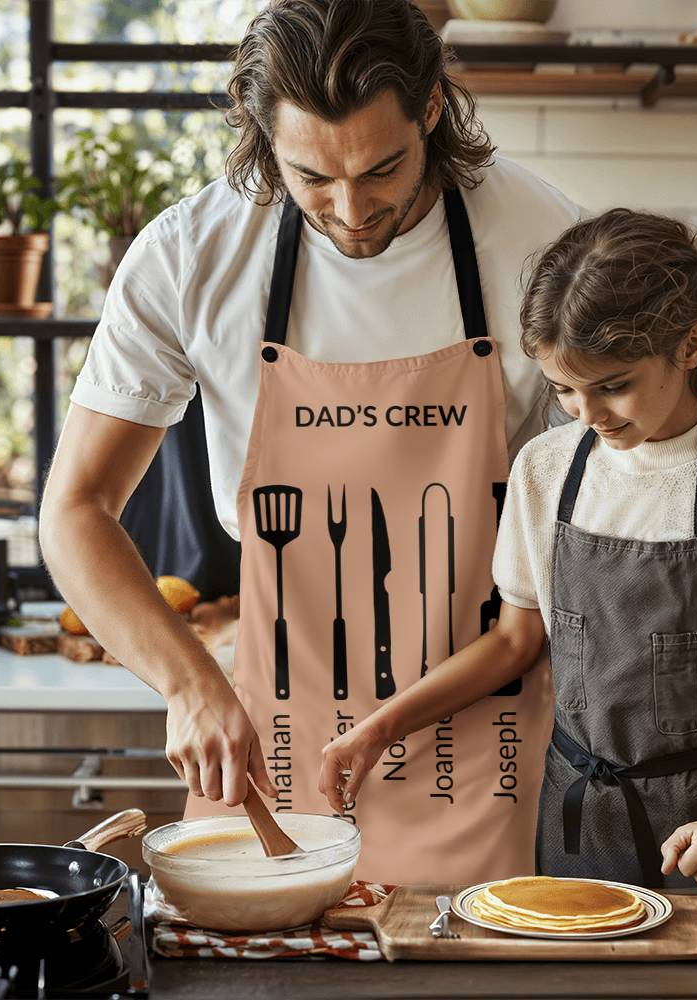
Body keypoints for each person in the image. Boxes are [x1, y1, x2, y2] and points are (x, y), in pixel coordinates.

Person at [39, 0, 583, 885]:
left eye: (382, 170)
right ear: (262, 136)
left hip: (480, 736)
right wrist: (187, 686)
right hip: (269, 731)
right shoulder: (190, 256)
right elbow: (74, 511)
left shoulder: (542, 243)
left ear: (434, 109)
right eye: (312, 178)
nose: (352, 209)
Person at [320, 208, 697, 888]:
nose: (587, 415)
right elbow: (511, 644)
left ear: (689, 346)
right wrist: (380, 728)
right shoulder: (547, 468)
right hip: (576, 820)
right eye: (563, 389)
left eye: (612, 386)